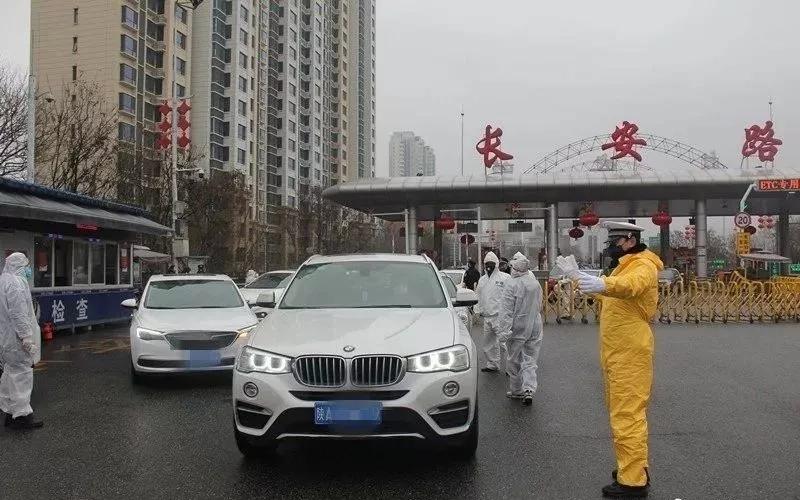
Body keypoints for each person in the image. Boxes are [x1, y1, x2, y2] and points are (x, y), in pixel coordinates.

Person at [571, 221, 662, 499]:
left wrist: (604, 283)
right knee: (621, 413)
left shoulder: (642, 265)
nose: (611, 246)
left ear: (630, 240)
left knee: (627, 416)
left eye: (616, 241)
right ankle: (632, 467)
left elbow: (630, 287)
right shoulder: (625, 266)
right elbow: (615, 297)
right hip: (618, 352)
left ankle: (633, 482)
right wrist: (579, 279)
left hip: (629, 353)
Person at [0, 253, 43, 430]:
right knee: (22, 375)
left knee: (10, 373)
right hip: (16, 340)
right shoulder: (17, 283)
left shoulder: (4, 280)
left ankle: (10, 413)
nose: (28, 269)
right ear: (19, 265)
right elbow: (19, 314)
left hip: (6, 338)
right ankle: (22, 417)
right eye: (26, 265)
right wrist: (26, 337)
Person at [497, 253, 543, 406]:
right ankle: (529, 388)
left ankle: (517, 390)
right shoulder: (534, 283)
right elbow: (540, 304)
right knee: (530, 358)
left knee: (514, 359)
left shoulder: (511, 284)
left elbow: (506, 310)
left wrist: (503, 331)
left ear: (514, 268)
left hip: (518, 326)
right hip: (535, 324)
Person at [475, 251, 509, 372]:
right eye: (487, 264)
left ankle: (511, 367)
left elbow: (510, 296)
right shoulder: (482, 280)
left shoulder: (505, 278)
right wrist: (477, 310)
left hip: (501, 316)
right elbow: (478, 296)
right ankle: (493, 364)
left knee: (505, 343)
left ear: (496, 264)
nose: (489, 266)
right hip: (487, 316)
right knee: (488, 343)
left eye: (491, 263)